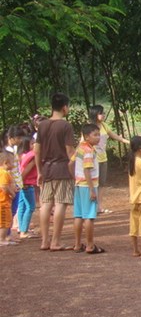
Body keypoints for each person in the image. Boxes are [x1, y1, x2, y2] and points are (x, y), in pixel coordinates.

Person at [35, 93, 76, 251]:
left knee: (45, 204)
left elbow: (37, 150)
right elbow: (70, 151)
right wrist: (76, 168)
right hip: (62, 169)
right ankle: (55, 241)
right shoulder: (66, 126)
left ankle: (44, 241)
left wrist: (39, 171)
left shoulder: (43, 125)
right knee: (60, 204)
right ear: (65, 107)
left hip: (46, 169)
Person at [88, 104, 129, 214]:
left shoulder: (104, 126)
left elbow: (114, 136)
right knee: (92, 183)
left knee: (102, 183)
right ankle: (91, 207)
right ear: (95, 114)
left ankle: (99, 206)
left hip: (103, 159)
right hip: (92, 159)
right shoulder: (89, 128)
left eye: (103, 113)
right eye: (101, 113)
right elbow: (82, 142)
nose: (103, 115)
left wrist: (128, 142)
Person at [70, 123, 104, 254]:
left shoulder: (80, 147)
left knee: (78, 215)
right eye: (95, 135)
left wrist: (74, 177)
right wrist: (91, 189)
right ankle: (90, 245)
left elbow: (70, 163)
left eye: (98, 134)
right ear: (86, 136)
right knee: (89, 216)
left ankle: (78, 244)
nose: (98, 137)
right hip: (88, 185)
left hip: (79, 184)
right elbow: (87, 170)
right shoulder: (89, 151)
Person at [4, 125, 27, 226]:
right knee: (10, 210)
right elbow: (8, 170)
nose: (20, 140)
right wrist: (12, 185)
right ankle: (6, 233)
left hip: (16, 183)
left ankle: (8, 232)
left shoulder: (13, 150)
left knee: (13, 210)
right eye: (18, 138)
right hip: (12, 183)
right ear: (11, 138)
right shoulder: (8, 151)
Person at [17, 137, 37, 239]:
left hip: (22, 184)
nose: (34, 145)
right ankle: (24, 231)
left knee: (22, 207)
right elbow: (25, 172)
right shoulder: (32, 156)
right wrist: (21, 183)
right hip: (26, 184)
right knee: (30, 207)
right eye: (32, 143)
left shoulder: (23, 155)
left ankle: (22, 228)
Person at [0, 151, 17, 246]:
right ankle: (1, 239)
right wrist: (12, 193)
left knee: (6, 221)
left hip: (5, 202)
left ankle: (4, 237)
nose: (13, 165)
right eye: (12, 162)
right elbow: (4, 186)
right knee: (4, 222)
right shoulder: (4, 173)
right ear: (6, 163)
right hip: (3, 203)